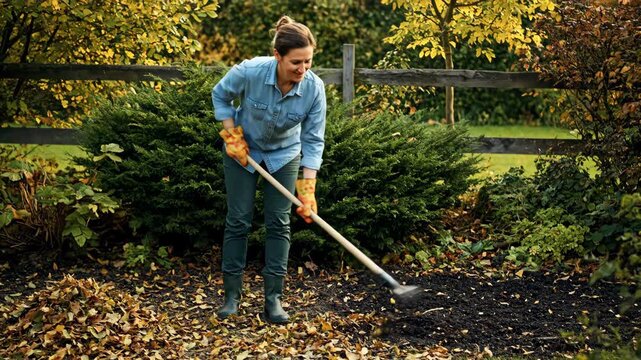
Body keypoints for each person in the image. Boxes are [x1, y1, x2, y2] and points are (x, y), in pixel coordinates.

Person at [211, 15, 326, 324]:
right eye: (295, 63)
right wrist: (231, 134)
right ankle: (231, 296)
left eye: (308, 62)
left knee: (279, 223)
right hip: (242, 152)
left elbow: (313, 140)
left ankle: (273, 299)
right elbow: (220, 94)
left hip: (284, 156)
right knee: (238, 220)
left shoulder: (314, 89)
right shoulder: (250, 72)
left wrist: (308, 190)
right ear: (278, 55)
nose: (303, 70)